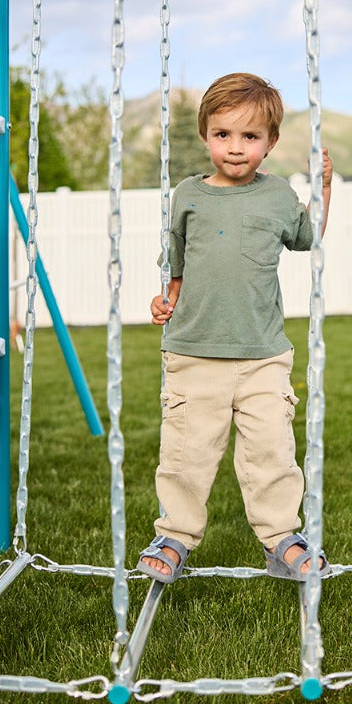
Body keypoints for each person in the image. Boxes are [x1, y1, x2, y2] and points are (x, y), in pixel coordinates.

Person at [137, 72, 333, 584]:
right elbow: (176, 265)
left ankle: (279, 537)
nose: (236, 148)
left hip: (263, 353)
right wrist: (167, 299)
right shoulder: (188, 195)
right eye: (223, 134)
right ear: (205, 135)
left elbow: (308, 237)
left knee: (272, 450)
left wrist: (325, 187)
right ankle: (175, 535)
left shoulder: (277, 196)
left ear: (270, 144)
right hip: (195, 351)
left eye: (250, 137)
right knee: (186, 450)